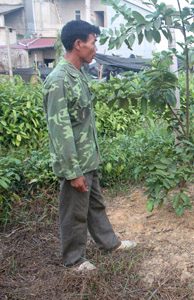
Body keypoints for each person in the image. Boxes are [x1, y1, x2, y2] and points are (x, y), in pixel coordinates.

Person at [43, 20, 136, 272]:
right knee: (74, 213)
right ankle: (74, 261)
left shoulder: (78, 74)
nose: (95, 48)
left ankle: (109, 243)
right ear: (78, 44)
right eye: (93, 42)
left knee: (95, 205)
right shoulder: (59, 80)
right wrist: (73, 172)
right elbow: (60, 132)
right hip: (75, 163)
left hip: (87, 158)